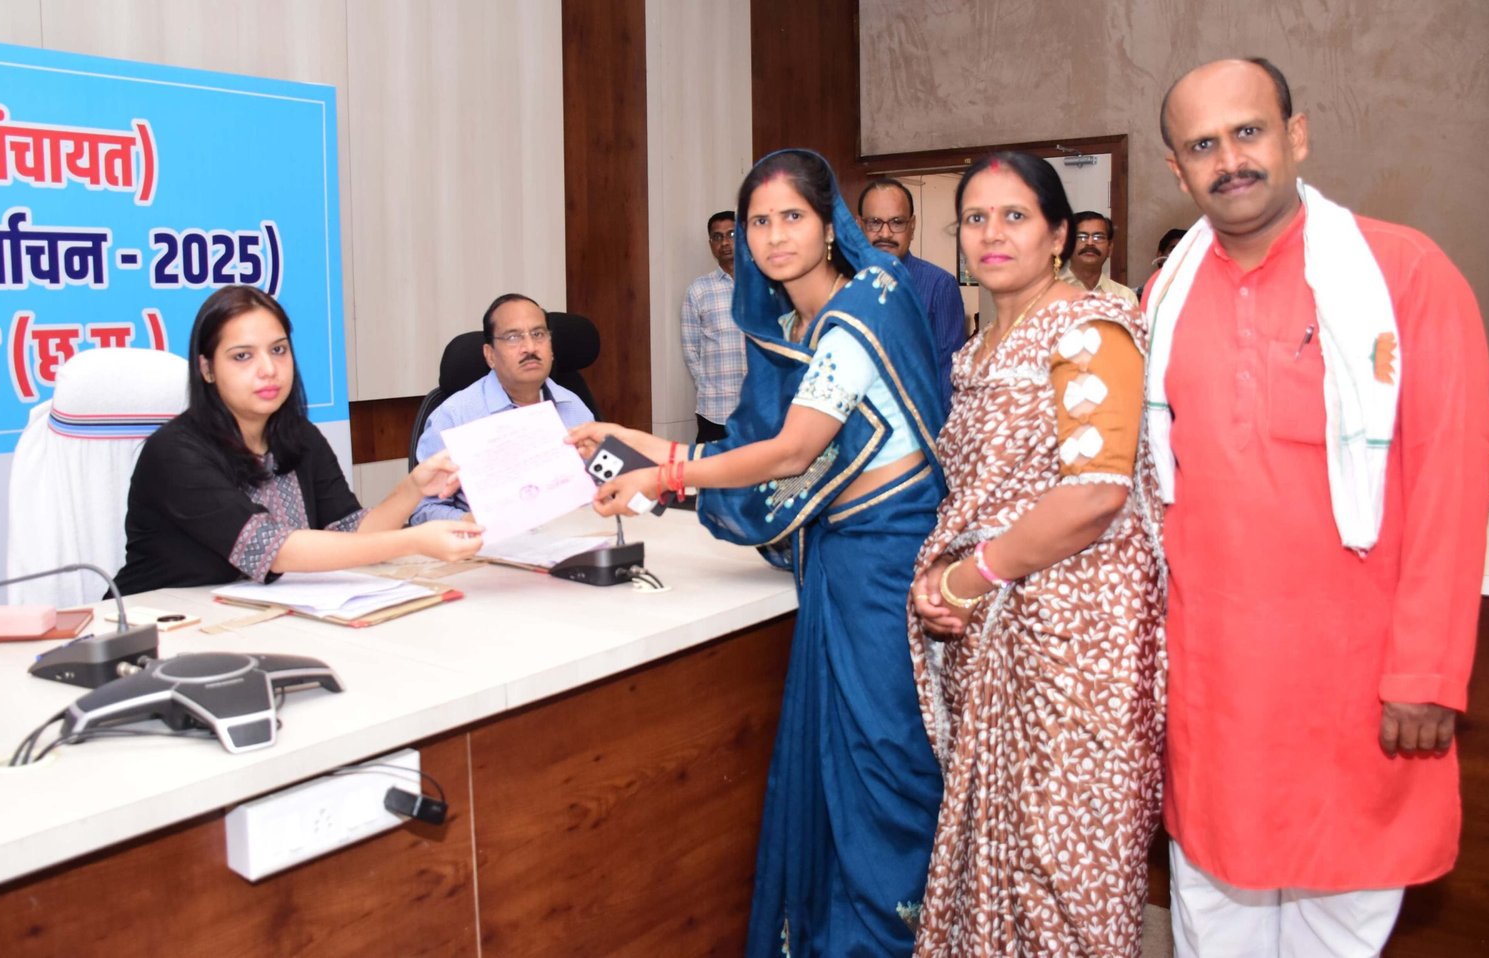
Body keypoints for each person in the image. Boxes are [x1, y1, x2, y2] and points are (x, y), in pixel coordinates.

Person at [1148, 57, 1489, 957]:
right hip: (1215, 693)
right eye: (1202, 145)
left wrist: (1427, 672)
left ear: (1296, 136)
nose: (1230, 160)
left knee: (1336, 931)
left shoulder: (1404, 275)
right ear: (1178, 172)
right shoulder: (1165, 299)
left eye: (1248, 131)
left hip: (1354, 691)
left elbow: (1453, 483)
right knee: (1210, 923)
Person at [570, 149, 947, 956]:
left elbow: (791, 452)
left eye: (792, 218)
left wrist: (667, 475)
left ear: (829, 224)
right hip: (839, 556)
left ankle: (900, 934)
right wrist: (634, 440)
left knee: (885, 752)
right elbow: (750, 443)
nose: (774, 237)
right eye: (758, 222)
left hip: (883, 560)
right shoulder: (792, 329)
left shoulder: (863, 306)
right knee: (839, 757)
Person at [907, 152, 1166, 954]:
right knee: (998, 854)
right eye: (975, 218)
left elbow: (1095, 494)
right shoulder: (977, 348)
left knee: (1065, 869)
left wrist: (967, 577)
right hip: (995, 642)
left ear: (1058, 235)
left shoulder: (1089, 328)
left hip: (1077, 645)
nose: (992, 234)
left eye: (1014, 216)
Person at [114, 286, 483, 595]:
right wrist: (413, 540)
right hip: (163, 627)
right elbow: (275, 550)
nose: (268, 369)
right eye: (242, 356)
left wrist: (414, 489)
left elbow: (353, 533)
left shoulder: (299, 436)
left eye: (278, 350)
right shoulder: (174, 453)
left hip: (262, 620)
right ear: (207, 369)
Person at [410, 293, 594, 524]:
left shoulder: (574, 406)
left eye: (538, 334)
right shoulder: (454, 416)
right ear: (490, 355)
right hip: (490, 541)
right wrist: (475, 523)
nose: (529, 347)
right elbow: (422, 510)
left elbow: (603, 483)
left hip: (577, 532)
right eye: (513, 337)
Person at [859, 177, 969, 402]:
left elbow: (949, 374)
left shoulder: (939, 286)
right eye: (874, 222)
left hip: (917, 419)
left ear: (912, 226)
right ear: (859, 225)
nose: (885, 234)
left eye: (897, 222)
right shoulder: (843, 283)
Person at [680, 210, 742, 443]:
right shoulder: (698, 290)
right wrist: (706, 387)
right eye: (717, 237)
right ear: (711, 245)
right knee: (711, 466)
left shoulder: (765, 284)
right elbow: (691, 350)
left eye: (732, 234)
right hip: (715, 409)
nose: (725, 242)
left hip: (759, 406)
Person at [1060, 209, 1140, 308]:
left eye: (1098, 237)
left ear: (1110, 248)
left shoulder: (1124, 296)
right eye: (1082, 237)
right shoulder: (1050, 291)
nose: (1090, 243)